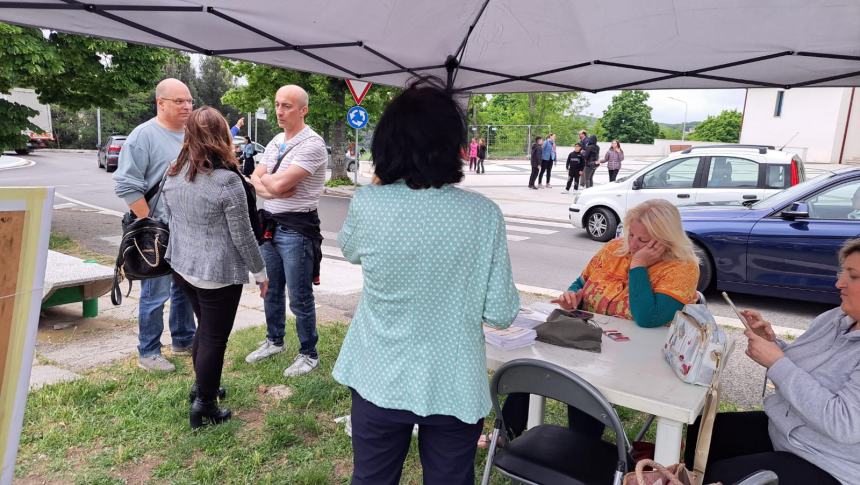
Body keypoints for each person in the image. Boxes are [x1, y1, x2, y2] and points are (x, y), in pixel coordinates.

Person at [333, 78, 520, 485]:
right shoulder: (483, 214)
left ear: (387, 144)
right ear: (453, 144)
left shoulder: (367, 202)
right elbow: (502, 312)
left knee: (372, 479)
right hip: (453, 380)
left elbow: (350, 251)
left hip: (377, 372)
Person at [496, 199, 700, 441]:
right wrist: (573, 297)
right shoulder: (614, 249)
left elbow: (648, 318)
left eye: (643, 240)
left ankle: (581, 449)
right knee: (532, 366)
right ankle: (505, 434)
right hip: (588, 338)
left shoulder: (683, 268)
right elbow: (581, 283)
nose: (632, 244)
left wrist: (639, 266)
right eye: (631, 234)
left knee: (585, 384)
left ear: (667, 240)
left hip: (635, 357)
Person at [684, 238, 860, 485]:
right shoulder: (837, 317)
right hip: (788, 430)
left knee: (719, 475)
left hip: (829, 463)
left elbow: (845, 424)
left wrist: (777, 363)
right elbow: (802, 366)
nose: (839, 283)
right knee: (702, 433)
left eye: (853, 276)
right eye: (843, 273)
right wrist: (772, 343)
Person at [162, 107, 268, 429]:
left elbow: (172, 219)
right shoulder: (226, 182)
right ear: (223, 136)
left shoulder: (173, 173)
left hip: (182, 267)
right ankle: (204, 405)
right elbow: (243, 235)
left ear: (190, 136)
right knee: (213, 337)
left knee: (205, 330)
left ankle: (203, 386)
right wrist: (261, 273)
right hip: (215, 273)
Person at [113, 78, 196, 372]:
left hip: (187, 227)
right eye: (179, 101)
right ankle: (148, 351)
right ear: (160, 103)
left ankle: (184, 340)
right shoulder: (143, 136)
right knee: (155, 293)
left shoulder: (192, 134)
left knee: (186, 288)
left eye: (189, 101)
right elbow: (126, 185)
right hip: (157, 230)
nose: (187, 106)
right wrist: (149, 225)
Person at [244, 85, 328, 378]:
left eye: (287, 106)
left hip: (297, 229)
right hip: (269, 225)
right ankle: (274, 340)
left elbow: (275, 185)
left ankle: (308, 353)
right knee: (270, 290)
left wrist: (273, 185)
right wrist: (274, 186)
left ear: (303, 110)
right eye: (277, 104)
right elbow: (255, 177)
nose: (279, 111)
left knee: (300, 296)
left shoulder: (312, 144)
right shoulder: (277, 140)